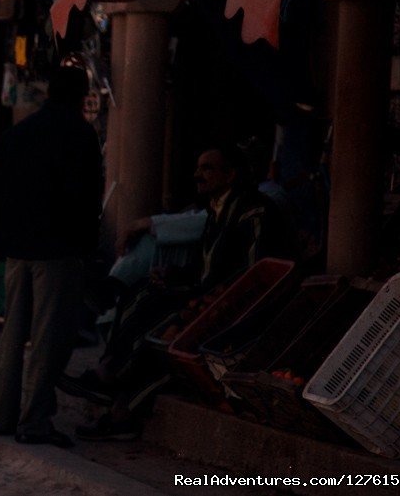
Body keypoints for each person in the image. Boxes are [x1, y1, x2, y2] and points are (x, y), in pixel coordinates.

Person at [63, 144, 297, 441]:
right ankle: (108, 370)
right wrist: (173, 275)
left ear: (230, 174)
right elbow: (204, 268)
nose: (198, 175)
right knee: (141, 296)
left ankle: (121, 409)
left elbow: (253, 276)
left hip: (233, 310)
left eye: (208, 168)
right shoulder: (216, 210)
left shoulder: (255, 211)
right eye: (199, 168)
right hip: (205, 295)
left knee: (163, 338)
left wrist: (206, 298)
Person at [0, 66, 103, 448]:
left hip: (17, 254)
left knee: (13, 336)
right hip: (56, 255)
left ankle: (2, 417)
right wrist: (84, 250)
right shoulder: (80, 136)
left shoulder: (19, 134)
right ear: (81, 96)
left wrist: (1, 243)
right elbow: (88, 201)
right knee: (47, 342)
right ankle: (34, 422)